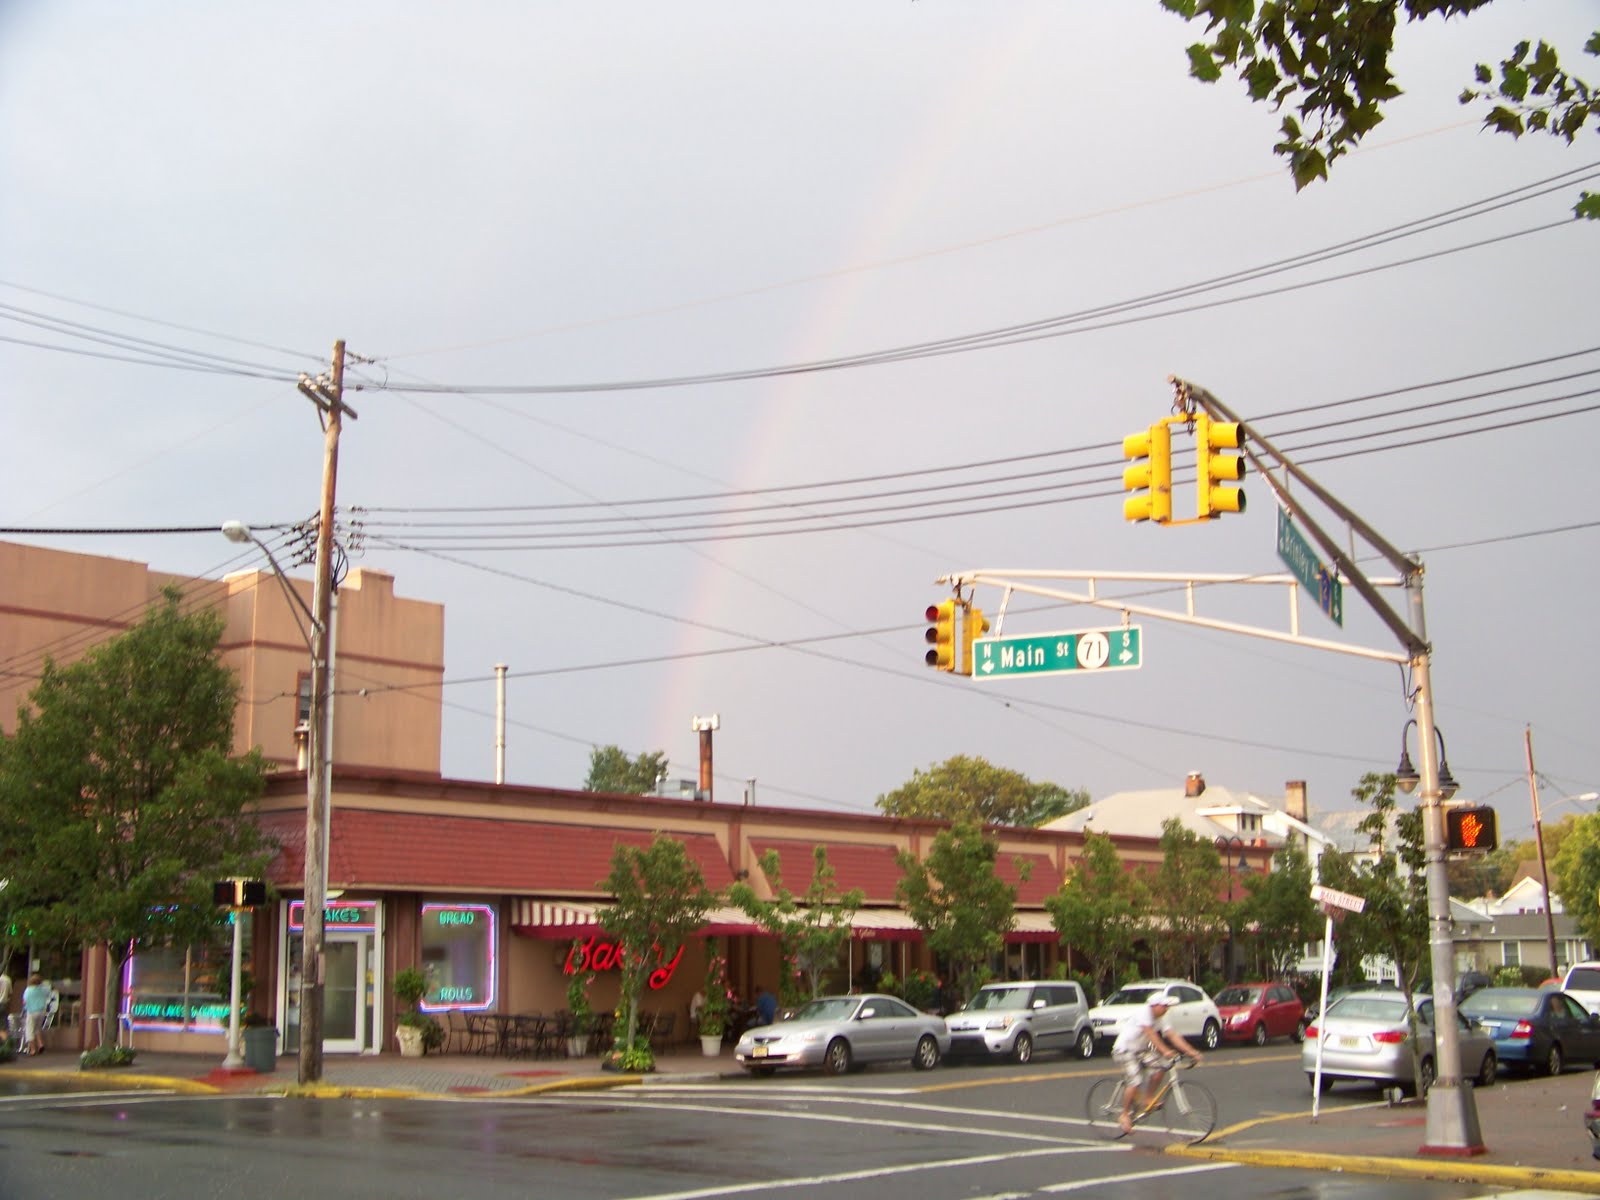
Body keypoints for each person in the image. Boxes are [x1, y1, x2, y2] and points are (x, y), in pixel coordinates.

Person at [1111, 992, 1200, 1135]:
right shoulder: (1144, 1013)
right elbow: (1151, 1034)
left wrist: (1191, 1051)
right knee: (1135, 1081)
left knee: (1162, 1066)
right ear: (1154, 1005)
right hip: (1124, 1050)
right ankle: (1124, 1115)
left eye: (1167, 1006)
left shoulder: (1160, 1017)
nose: (1166, 1009)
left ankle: (1148, 1099)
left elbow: (1172, 1034)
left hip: (1140, 1050)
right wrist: (1165, 1051)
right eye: (1164, 1006)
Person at [22, 973, 51, 1056]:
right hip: (41, 1012)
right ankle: (40, 1044)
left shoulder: (28, 990)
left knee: (29, 1030)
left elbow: (24, 1001)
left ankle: (33, 1049)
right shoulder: (43, 989)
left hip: (31, 1011)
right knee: (37, 1028)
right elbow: (49, 995)